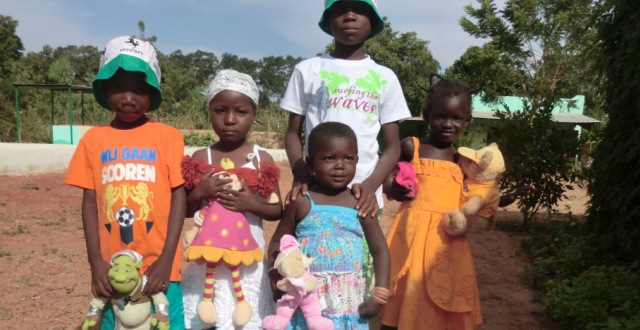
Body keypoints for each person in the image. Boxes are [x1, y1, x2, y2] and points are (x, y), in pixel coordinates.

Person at [65, 36, 187, 329]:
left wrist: (166, 260)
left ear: (152, 92)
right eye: (118, 87)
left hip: (161, 266)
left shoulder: (168, 137)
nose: (128, 98)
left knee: (166, 322)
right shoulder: (94, 140)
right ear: (104, 89)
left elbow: (178, 197)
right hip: (113, 270)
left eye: (139, 89)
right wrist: (96, 263)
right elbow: (90, 203)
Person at [281, 0, 411, 219]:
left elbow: (392, 147)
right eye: (341, 10)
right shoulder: (307, 70)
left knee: (360, 254)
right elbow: (292, 133)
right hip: (313, 194)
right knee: (305, 253)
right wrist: (301, 172)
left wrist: (370, 185)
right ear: (329, 20)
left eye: (360, 10)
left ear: (373, 21)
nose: (350, 16)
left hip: (363, 200)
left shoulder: (385, 77)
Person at [180, 69, 282, 330]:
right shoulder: (202, 157)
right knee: (205, 317)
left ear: (254, 115)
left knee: (245, 320)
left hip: (248, 260)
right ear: (210, 112)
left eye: (241, 112)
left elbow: (277, 209)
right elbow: (186, 210)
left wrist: (251, 204)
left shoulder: (262, 159)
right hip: (207, 259)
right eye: (220, 110)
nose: (229, 119)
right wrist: (201, 191)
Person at [381, 78, 483, 329]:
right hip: (412, 238)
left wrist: (508, 198)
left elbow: (475, 198)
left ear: (467, 120)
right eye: (440, 116)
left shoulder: (463, 160)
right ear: (427, 116)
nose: (448, 124)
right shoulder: (411, 147)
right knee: (406, 290)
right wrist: (394, 188)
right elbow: (386, 177)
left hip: (448, 242)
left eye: (457, 118)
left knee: (445, 294)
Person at [268, 122, 391, 329]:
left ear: (357, 161)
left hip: (348, 305)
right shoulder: (301, 201)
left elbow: (380, 251)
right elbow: (277, 242)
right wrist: (274, 273)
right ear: (310, 164)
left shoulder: (360, 203)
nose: (340, 165)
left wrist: (379, 295)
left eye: (348, 158)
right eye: (329, 158)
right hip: (306, 302)